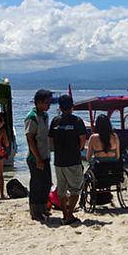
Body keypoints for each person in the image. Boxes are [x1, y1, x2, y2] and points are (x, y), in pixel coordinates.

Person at [49, 94, 86, 224]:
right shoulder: (77, 121)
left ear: (59, 107)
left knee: (62, 189)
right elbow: (82, 140)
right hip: (73, 159)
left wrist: (57, 150)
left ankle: (65, 214)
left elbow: (51, 141)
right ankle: (70, 213)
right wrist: (78, 150)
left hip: (59, 160)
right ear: (72, 107)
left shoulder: (55, 121)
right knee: (76, 188)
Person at [25, 89, 52, 222]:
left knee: (46, 183)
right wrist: (38, 158)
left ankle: (43, 207)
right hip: (35, 157)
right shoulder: (32, 117)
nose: (49, 105)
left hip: (45, 154)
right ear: (39, 102)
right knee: (37, 184)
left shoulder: (45, 116)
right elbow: (30, 139)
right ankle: (35, 211)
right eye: (47, 102)